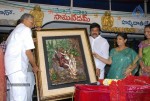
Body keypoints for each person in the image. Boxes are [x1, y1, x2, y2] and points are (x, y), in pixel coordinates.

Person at [4, 13, 40, 101]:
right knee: (20, 96)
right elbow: (28, 51)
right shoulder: (26, 29)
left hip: (12, 70)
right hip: (18, 68)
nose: (32, 25)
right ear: (25, 20)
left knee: (14, 95)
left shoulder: (16, 31)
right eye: (32, 23)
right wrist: (34, 66)